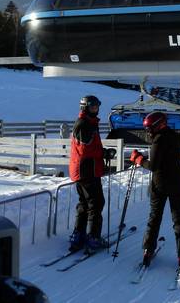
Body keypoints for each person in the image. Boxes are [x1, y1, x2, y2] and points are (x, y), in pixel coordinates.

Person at [129, 111, 180, 270]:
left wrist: (139, 159)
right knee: (178, 218)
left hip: (161, 185)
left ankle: (148, 249)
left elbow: (153, 166)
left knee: (155, 217)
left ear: (159, 125)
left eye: (150, 128)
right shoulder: (175, 136)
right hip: (178, 183)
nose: (148, 132)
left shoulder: (158, 140)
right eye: (147, 128)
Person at [68, 95, 110, 252]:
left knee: (85, 203)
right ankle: (93, 237)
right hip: (86, 170)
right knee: (96, 203)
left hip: (86, 169)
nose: (96, 110)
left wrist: (103, 153)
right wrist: (102, 153)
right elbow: (85, 148)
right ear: (85, 108)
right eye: (92, 107)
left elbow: (90, 147)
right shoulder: (83, 124)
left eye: (97, 107)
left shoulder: (89, 123)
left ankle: (78, 235)